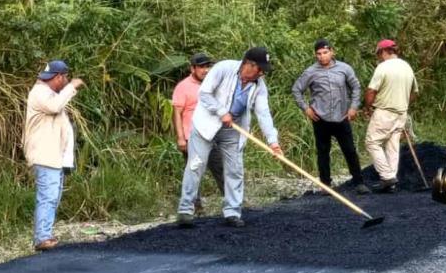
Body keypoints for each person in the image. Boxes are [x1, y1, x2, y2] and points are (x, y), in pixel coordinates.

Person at [177, 47, 282, 228]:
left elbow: (263, 113)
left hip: (234, 129)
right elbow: (204, 93)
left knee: (235, 169)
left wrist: (273, 142)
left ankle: (232, 212)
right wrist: (220, 111)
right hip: (206, 125)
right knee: (196, 165)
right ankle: (185, 210)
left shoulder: (259, 85)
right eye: (260, 69)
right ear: (249, 65)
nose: (262, 73)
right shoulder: (224, 68)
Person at [22, 60, 85, 251]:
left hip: (53, 156)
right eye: (65, 77)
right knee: (48, 196)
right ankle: (42, 237)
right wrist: (73, 87)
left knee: (53, 197)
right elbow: (55, 107)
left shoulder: (49, 93)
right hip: (44, 155)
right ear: (59, 77)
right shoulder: (40, 92)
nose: (66, 81)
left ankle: (45, 234)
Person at [291, 39, 368, 195]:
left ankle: (359, 182)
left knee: (350, 150)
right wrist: (306, 108)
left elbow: (355, 87)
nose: (322, 56)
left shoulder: (344, 69)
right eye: (318, 54)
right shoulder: (310, 72)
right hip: (320, 118)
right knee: (323, 152)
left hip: (342, 116)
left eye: (325, 52)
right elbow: (296, 90)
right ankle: (326, 185)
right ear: (315, 55)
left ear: (332, 52)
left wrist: (354, 107)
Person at [172, 52, 225, 213]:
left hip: (212, 135)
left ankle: (233, 201)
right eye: (202, 67)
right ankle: (195, 207)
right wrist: (181, 138)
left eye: (208, 66)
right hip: (191, 137)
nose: (205, 70)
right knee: (194, 171)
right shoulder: (183, 87)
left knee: (221, 169)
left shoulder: (212, 85)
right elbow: (177, 114)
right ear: (193, 68)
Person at [363, 39, 418, 193]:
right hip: (401, 112)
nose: (378, 57)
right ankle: (391, 182)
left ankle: (387, 177)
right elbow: (414, 93)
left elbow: (371, 91)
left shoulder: (383, 67)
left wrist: (367, 107)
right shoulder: (407, 66)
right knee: (392, 146)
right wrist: (404, 104)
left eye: (378, 54)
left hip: (385, 111)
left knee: (372, 142)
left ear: (383, 51)